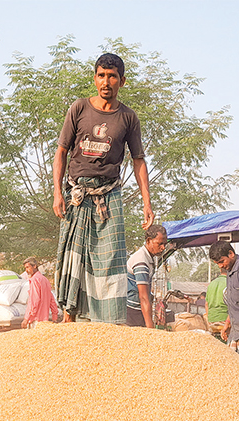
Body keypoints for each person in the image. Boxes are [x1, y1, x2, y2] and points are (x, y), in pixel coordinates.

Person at [53, 52, 154, 324]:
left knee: (109, 259)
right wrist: (56, 194)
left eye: (111, 76)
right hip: (77, 194)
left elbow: (138, 160)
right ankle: (68, 318)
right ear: (95, 78)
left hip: (109, 195)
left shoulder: (128, 118)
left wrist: (147, 203)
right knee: (75, 257)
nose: (105, 82)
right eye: (101, 75)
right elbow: (61, 152)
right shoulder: (79, 108)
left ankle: (107, 324)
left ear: (122, 81)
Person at [126, 225, 168, 328]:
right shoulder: (141, 261)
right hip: (132, 311)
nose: (163, 248)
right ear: (149, 241)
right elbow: (143, 297)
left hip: (137, 310)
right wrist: (150, 328)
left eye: (164, 244)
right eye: (160, 244)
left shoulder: (149, 257)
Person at [21, 257, 60, 329]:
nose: (26, 270)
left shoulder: (34, 280)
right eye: (25, 268)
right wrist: (55, 316)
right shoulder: (45, 279)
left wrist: (26, 318)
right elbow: (51, 299)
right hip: (44, 320)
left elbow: (34, 301)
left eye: (28, 267)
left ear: (34, 266)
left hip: (35, 319)